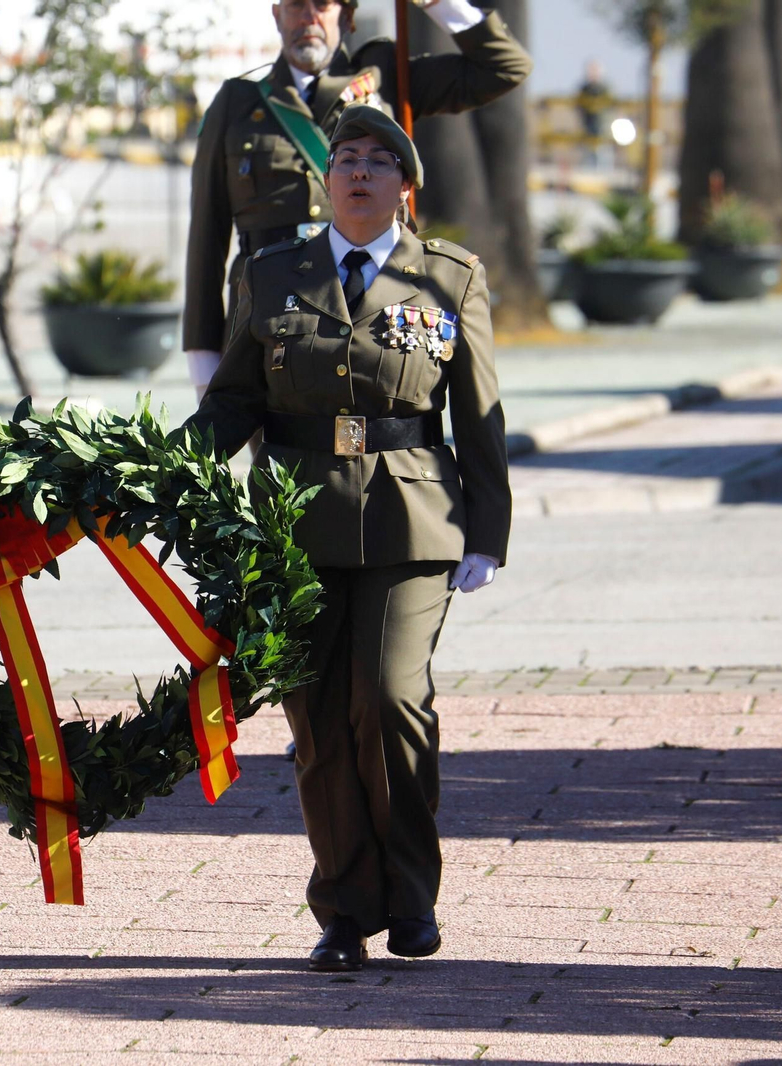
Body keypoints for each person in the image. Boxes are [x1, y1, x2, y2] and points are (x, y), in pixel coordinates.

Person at [185, 106, 511, 972]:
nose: (360, 171)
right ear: (326, 182)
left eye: (380, 160)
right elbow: (234, 404)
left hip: (413, 519)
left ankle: (412, 897)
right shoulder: (270, 271)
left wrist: (489, 529)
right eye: (346, 160)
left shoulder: (450, 276)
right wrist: (162, 475)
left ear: (406, 185)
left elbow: (478, 411)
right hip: (294, 519)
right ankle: (343, 908)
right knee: (321, 720)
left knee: (390, 699)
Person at [183, 0, 531, 405]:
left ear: (347, 17)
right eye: (296, 5)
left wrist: (437, 3)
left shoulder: (386, 76)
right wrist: (203, 361)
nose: (308, 17)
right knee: (275, 463)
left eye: (323, 5)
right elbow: (206, 238)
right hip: (271, 319)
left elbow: (505, 67)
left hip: (373, 311)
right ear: (276, 15)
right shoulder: (237, 102)